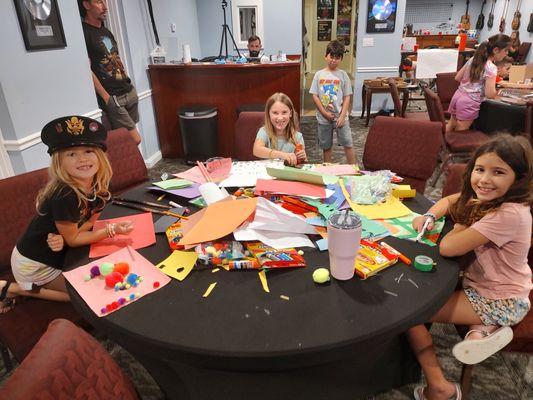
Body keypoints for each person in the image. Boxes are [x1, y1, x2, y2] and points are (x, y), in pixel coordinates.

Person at [408, 134, 532, 400]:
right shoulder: (492, 199)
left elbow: (447, 248)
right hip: (493, 288)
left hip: (499, 298)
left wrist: (463, 224)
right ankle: (483, 332)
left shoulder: (507, 214)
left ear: (518, 178)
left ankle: (440, 387)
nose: (484, 180)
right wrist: (430, 215)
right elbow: (452, 200)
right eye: (480, 169)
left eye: (498, 172)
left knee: (412, 313)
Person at [0, 116, 134, 313]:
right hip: (35, 262)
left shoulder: (99, 187)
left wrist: (70, 236)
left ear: (100, 156)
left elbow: (88, 223)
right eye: (71, 154)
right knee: (80, 297)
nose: (82, 159)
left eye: (88, 151)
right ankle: (12, 288)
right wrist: (110, 230)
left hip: (58, 252)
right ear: (59, 163)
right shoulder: (64, 195)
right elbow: (75, 239)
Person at [79, 0, 142, 145]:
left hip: (128, 91)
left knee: (125, 142)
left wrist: (129, 84)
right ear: (87, 5)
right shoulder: (83, 33)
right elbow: (86, 69)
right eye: (99, 2)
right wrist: (106, 97)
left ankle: (130, 167)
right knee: (134, 139)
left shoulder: (106, 32)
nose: (105, 7)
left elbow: (115, 59)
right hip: (113, 97)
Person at [446, 34, 511, 133]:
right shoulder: (491, 67)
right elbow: (489, 94)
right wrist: (499, 92)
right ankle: (454, 148)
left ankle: (441, 146)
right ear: (496, 50)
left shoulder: (473, 59)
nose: (507, 53)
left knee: (451, 124)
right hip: (469, 101)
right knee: (461, 131)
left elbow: (458, 77)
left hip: (458, 95)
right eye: (506, 50)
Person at [309, 40, 356, 164]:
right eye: (331, 56)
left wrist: (342, 115)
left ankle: (354, 169)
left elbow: (347, 97)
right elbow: (315, 96)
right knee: (326, 146)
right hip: (324, 118)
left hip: (341, 117)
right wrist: (324, 113)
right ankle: (328, 170)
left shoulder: (343, 75)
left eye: (337, 57)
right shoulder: (319, 75)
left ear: (341, 59)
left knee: (348, 143)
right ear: (326, 56)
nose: (333, 60)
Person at [253, 92, 307, 166]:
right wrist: (283, 155)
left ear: (290, 114)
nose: (280, 118)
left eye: (284, 112)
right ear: (268, 114)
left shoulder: (298, 137)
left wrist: (302, 157)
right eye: (275, 113)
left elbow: (302, 163)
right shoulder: (264, 132)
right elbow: (257, 150)